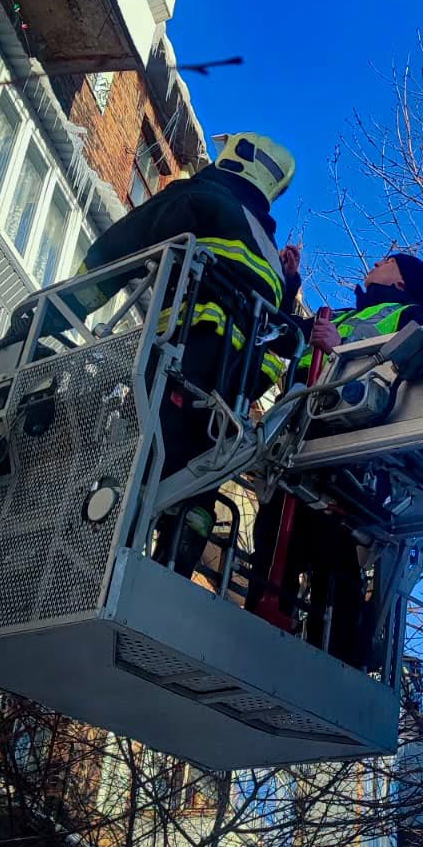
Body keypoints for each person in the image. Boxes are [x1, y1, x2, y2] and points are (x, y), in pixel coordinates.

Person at [76, 130, 297, 573]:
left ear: (238, 158)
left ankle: (97, 552)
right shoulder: (272, 255)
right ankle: (174, 563)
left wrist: (52, 314)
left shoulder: (204, 197)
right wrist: (290, 289)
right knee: (196, 484)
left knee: (136, 460)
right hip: (232, 393)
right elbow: (278, 327)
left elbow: (120, 248)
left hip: (182, 358)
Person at [249, 251, 423, 664]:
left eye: (387, 261)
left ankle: (334, 657)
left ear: (401, 282)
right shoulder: (340, 316)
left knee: (330, 545)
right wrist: (289, 284)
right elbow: (282, 336)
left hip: (347, 447)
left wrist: (339, 350)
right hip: (296, 439)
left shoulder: (414, 316)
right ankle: (257, 637)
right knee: (273, 537)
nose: (377, 262)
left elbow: (409, 373)